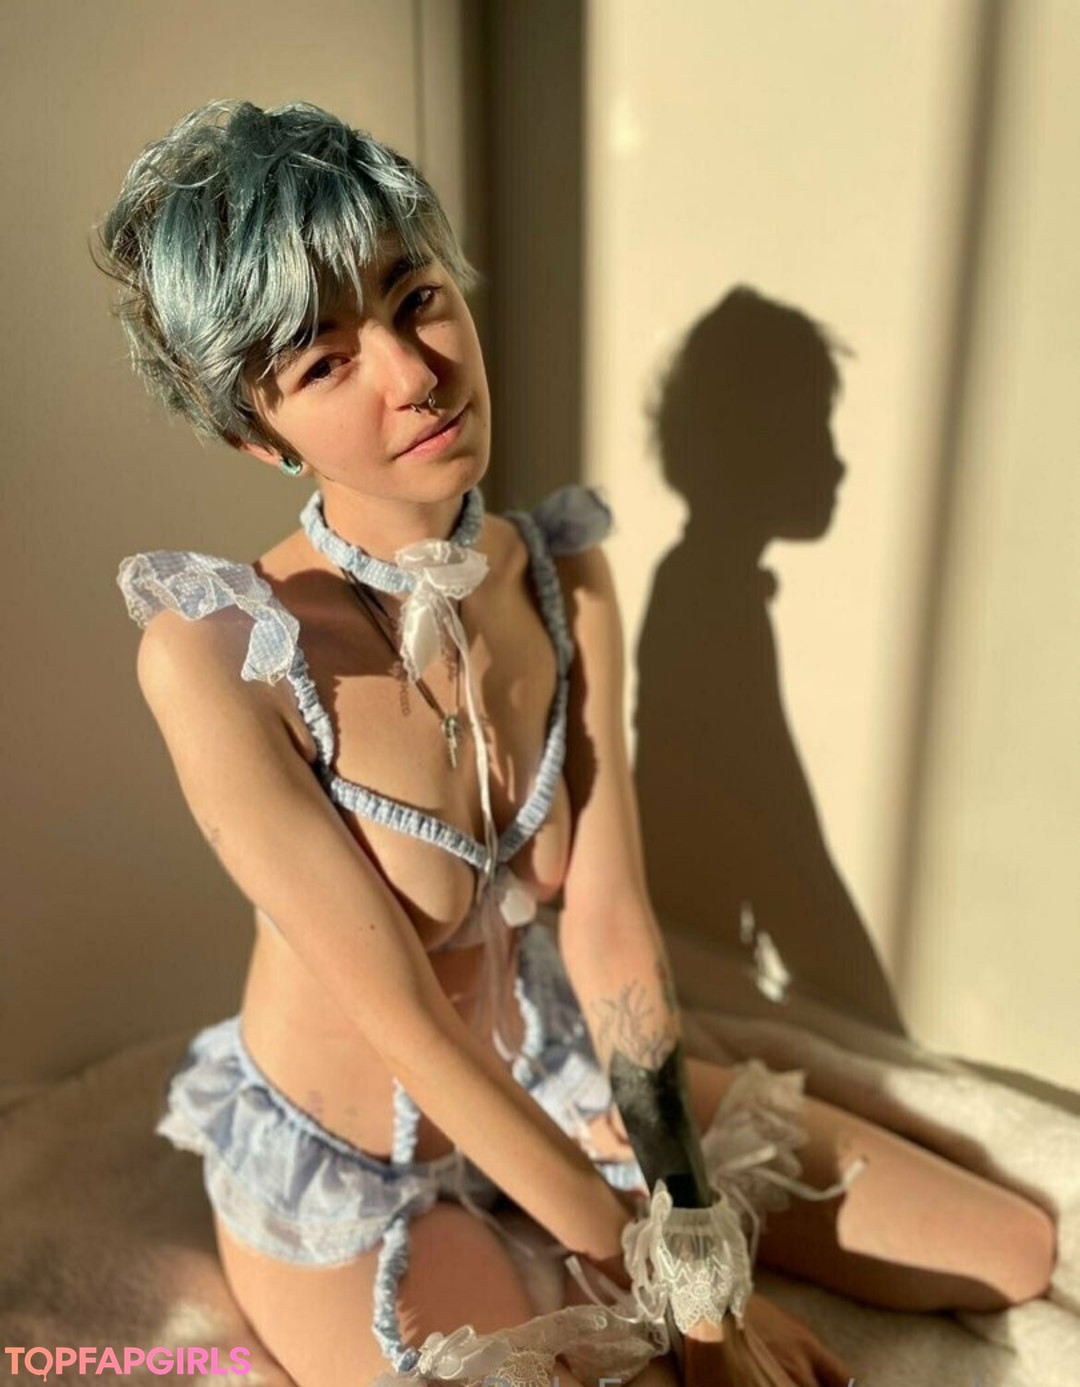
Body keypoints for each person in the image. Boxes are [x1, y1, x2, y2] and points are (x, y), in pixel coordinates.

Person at [97, 100, 1056, 1387]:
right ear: (254, 434)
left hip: (558, 1073)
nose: (412, 373)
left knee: (1009, 1248)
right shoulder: (219, 657)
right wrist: (689, 1301)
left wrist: (690, 1223)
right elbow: (409, 1026)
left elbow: (608, 929)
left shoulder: (565, 575)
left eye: (417, 297)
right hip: (357, 1177)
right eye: (325, 363)